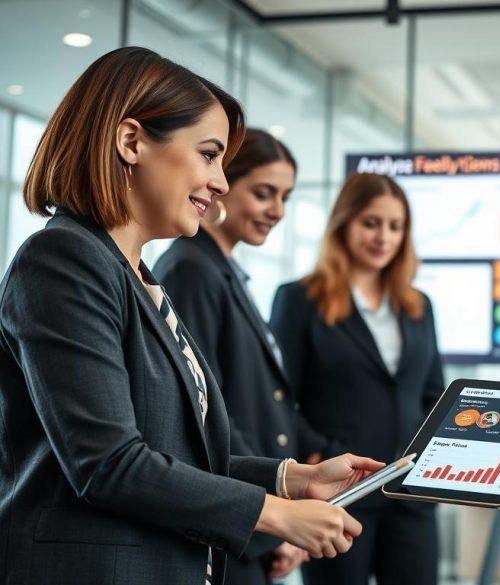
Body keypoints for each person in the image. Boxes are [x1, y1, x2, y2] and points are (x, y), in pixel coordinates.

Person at [0, 47, 384, 585]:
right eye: (209, 155)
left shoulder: (140, 278)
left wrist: (294, 479)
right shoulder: (62, 260)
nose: (222, 183)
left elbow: (177, 452)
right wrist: (277, 515)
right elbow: (109, 463)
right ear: (131, 141)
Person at [153, 129, 343, 583]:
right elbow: (202, 411)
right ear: (221, 182)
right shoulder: (192, 271)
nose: (276, 211)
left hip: (246, 506)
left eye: (285, 197)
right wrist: (274, 519)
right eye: (263, 193)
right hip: (230, 514)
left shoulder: (224, 274)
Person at [270, 172, 444, 585]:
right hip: (341, 493)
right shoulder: (300, 300)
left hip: (410, 494)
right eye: (371, 222)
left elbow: (434, 395)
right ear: (343, 223)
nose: (383, 236)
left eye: (395, 226)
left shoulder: (419, 306)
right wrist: (316, 453)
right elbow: (278, 397)